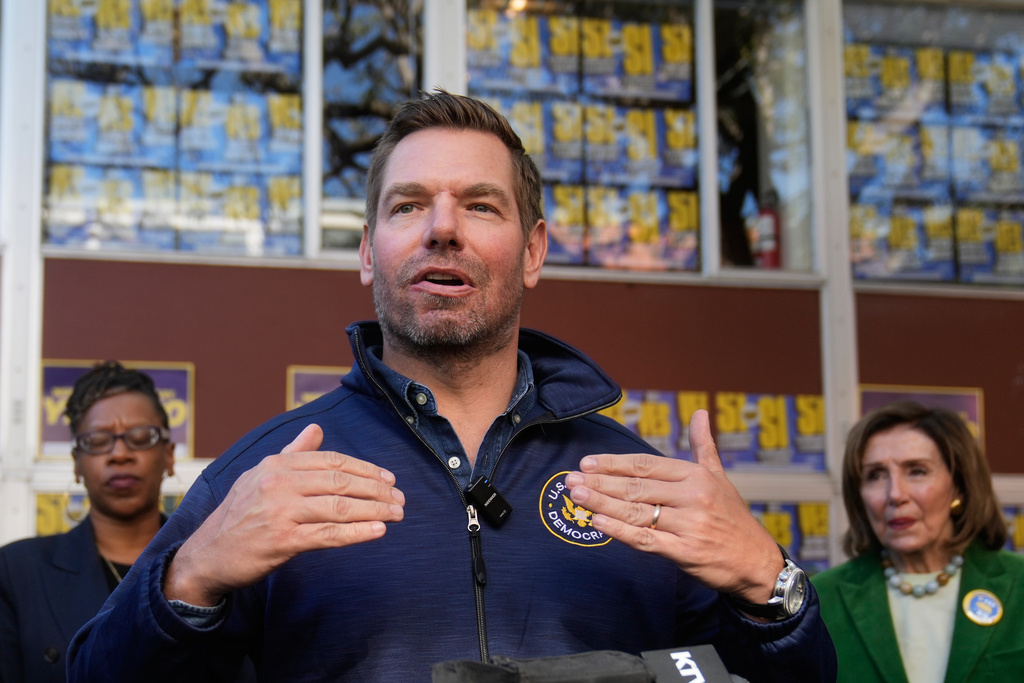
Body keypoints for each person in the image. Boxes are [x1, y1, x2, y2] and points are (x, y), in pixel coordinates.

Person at [68, 90, 836, 682]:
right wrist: (189, 579)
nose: (443, 228)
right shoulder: (266, 475)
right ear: (369, 252)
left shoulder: (637, 484)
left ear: (532, 252)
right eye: (408, 205)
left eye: (479, 204)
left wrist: (771, 588)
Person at [812, 401, 1023, 682]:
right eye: (875, 475)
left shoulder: (1018, 583)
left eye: (916, 471)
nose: (895, 494)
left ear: (959, 486)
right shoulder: (821, 600)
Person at [0, 361, 176, 682]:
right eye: (97, 441)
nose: (120, 454)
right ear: (76, 465)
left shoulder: (212, 567)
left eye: (140, 436)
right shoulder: (15, 571)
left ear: (170, 456)